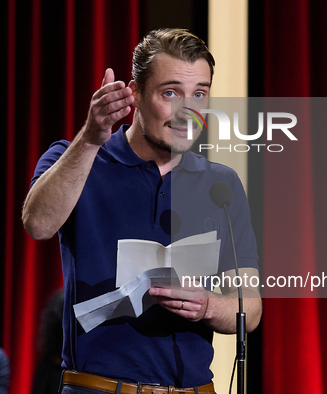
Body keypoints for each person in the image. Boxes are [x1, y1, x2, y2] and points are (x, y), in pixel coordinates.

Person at [22, 28, 261, 394]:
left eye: (200, 93)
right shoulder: (76, 158)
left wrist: (207, 306)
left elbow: (250, 310)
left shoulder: (221, 185)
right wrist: (89, 139)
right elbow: (37, 224)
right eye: (170, 93)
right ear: (134, 93)